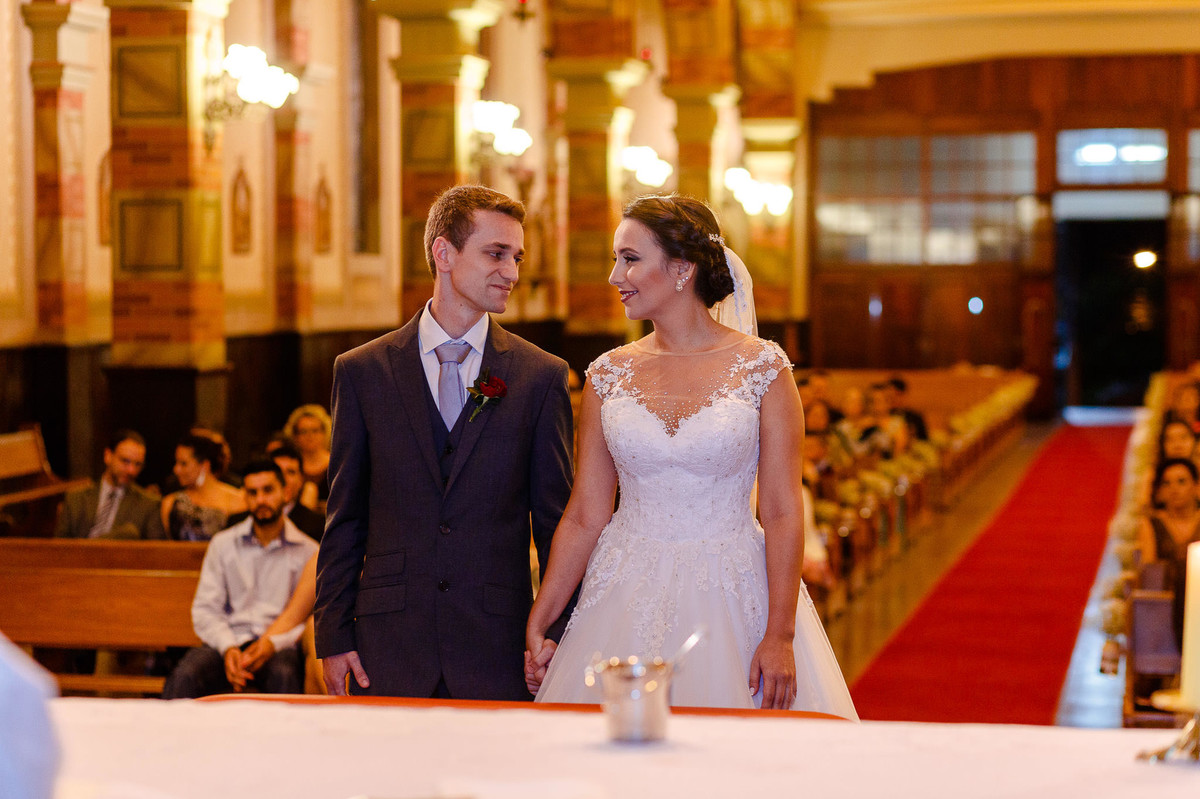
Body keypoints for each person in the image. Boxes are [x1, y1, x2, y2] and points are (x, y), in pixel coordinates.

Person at [525, 194, 856, 718]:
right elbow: (587, 513)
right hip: (624, 585)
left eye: (630, 258)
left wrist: (780, 634)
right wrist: (541, 616)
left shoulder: (763, 369)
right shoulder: (607, 375)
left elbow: (782, 510)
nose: (615, 276)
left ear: (681, 269)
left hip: (730, 587)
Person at [314, 184, 574, 700]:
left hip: (497, 643)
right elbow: (344, 517)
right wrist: (333, 635)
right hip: (387, 643)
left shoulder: (539, 377)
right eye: (496, 254)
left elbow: (556, 526)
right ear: (444, 253)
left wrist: (556, 636)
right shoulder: (363, 371)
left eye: (517, 256)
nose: (513, 272)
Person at [162, 459, 317, 698]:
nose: (261, 500)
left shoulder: (307, 550)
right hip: (229, 640)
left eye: (268, 490)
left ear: (286, 493)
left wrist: (273, 643)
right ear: (245, 497)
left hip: (278, 646)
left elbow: (306, 618)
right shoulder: (223, 544)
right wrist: (228, 647)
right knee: (185, 676)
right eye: (253, 493)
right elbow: (206, 609)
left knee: (284, 675)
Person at [1136, 457, 1200, 651]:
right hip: (1165, 610)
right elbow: (1149, 574)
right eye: (1167, 483)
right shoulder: (1152, 525)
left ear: (1196, 487)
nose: (1174, 488)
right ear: (1161, 492)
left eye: (1181, 481)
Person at [55, 429, 165, 539]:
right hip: (77, 555)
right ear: (108, 456)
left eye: (137, 464)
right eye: (125, 461)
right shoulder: (76, 498)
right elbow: (58, 548)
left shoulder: (149, 504)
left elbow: (155, 552)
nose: (131, 470)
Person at [226, 443, 325, 541]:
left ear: (301, 480)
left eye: (290, 472)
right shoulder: (236, 523)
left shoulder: (318, 525)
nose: (284, 479)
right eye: (278, 472)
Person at [161, 432, 247, 541]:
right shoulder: (170, 503)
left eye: (183, 463)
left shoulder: (239, 500)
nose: (176, 470)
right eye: (176, 463)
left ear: (204, 465)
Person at [284, 404, 332, 507]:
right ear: (295, 436)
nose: (310, 436)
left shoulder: (336, 464)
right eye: (304, 431)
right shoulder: (290, 466)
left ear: (325, 432)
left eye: (315, 430)